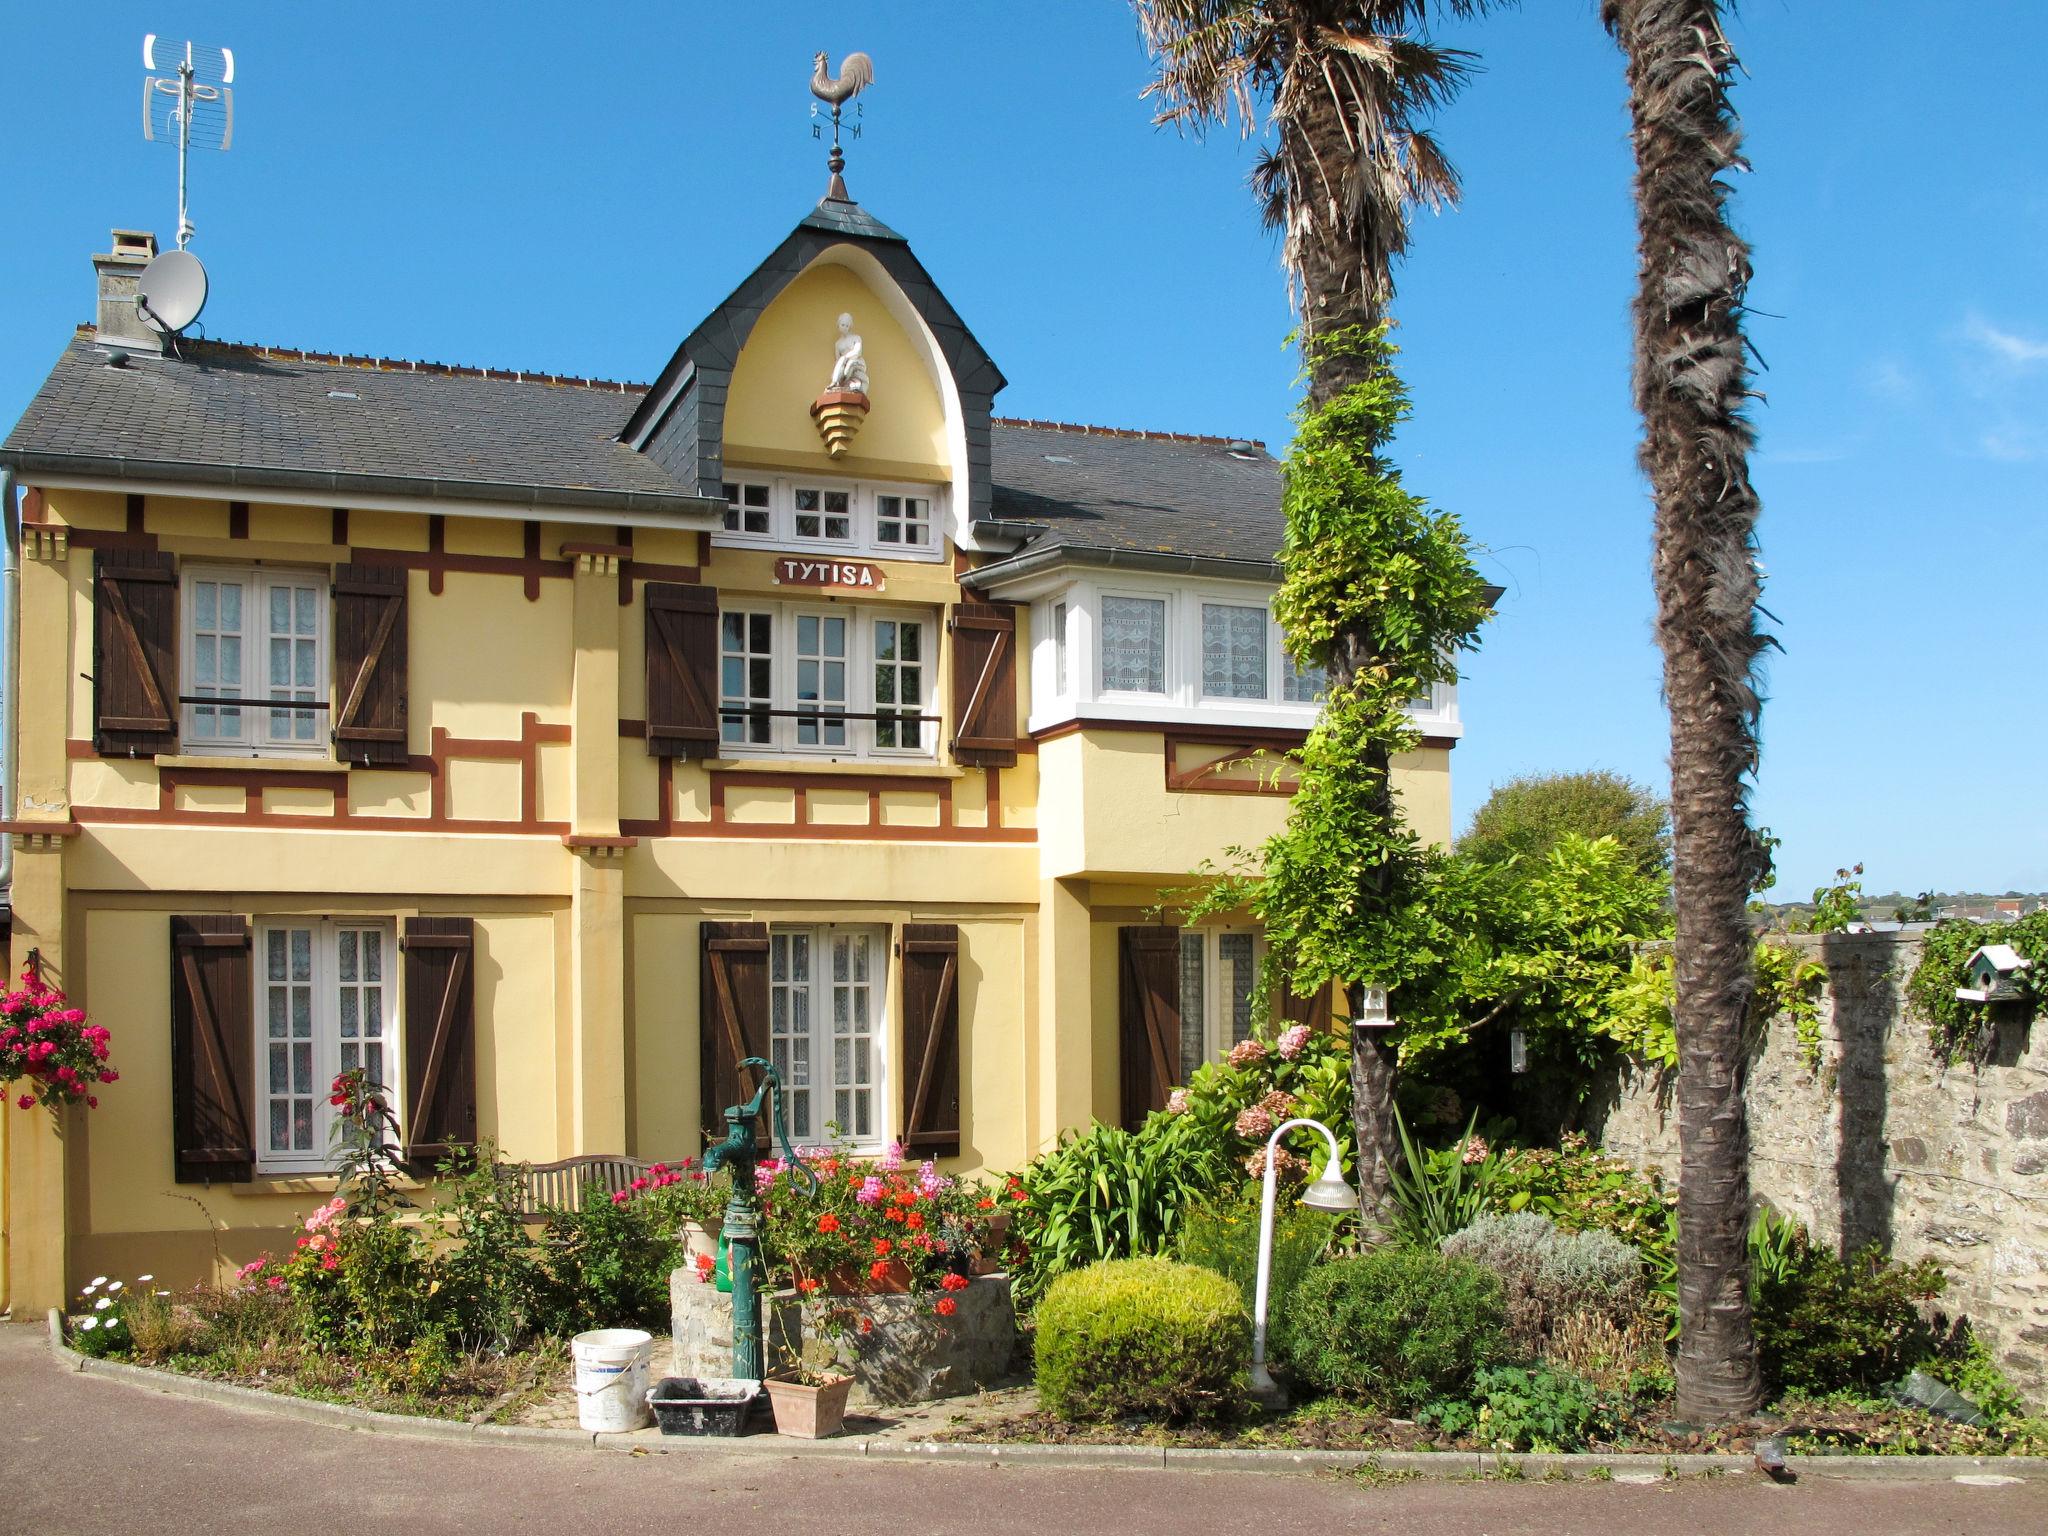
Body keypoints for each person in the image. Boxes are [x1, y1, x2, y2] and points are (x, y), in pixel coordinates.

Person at [828, 312, 869, 394]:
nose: (845, 328)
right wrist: (842, 363)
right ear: (838, 325)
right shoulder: (838, 343)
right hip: (843, 363)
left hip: (856, 361)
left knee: (849, 365)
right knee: (842, 368)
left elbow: (857, 352)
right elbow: (837, 359)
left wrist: (846, 357)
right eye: (843, 325)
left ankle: (840, 381)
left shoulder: (856, 338)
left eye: (847, 326)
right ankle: (835, 382)